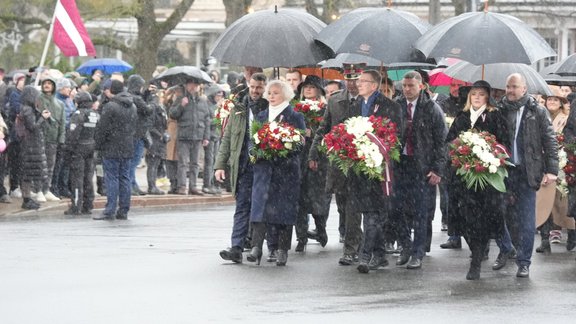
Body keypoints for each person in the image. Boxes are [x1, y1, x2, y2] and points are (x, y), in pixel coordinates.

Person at [493, 73, 558, 278]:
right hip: (502, 171)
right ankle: (506, 247)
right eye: (507, 86)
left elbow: (550, 141)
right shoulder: (499, 110)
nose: (510, 91)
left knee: (526, 220)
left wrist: (552, 170)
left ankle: (524, 262)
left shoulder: (537, 111)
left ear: (524, 89)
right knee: (495, 213)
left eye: (514, 87)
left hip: (528, 172)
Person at [445, 80, 509, 280]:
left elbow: (503, 143)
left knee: (481, 220)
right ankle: (476, 249)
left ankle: (477, 260)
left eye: (481, 94)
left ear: (487, 97)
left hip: (485, 178)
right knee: (462, 218)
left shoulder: (494, 116)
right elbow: (449, 141)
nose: (477, 98)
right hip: (462, 177)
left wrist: (485, 151)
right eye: (474, 94)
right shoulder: (463, 117)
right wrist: (460, 151)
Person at [308, 63, 364, 265]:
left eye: (356, 79)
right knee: (343, 206)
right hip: (339, 162)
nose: (352, 83)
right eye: (348, 79)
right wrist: (313, 153)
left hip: (362, 161)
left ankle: (351, 249)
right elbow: (324, 127)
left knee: (354, 206)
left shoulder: (369, 100)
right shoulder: (335, 100)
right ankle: (357, 239)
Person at [246, 80, 306, 266]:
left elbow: (299, 142)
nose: (271, 96)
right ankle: (256, 247)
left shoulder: (294, 116)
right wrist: (256, 151)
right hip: (264, 169)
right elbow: (252, 140)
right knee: (259, 209)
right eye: (269, 93)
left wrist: (280, 148)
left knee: (284, 210)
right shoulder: (261, 115)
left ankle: (282, 249)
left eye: (276, 93)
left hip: (286, 171)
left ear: (285, 95)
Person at [393, 71, 448, 269]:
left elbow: (442, 142)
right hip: (400, 164)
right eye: (404, 86)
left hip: (423, 167)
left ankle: (418, 252)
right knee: (398, 209)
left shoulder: (431, 109)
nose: (407, 90)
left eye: (411, 86)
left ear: (421, 86)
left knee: (421, 212)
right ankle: (405, 246)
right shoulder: (397, 106)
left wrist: (437, 169)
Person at [351, 70, 403, 273]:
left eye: (363, 81)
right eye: (358, 81)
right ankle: (380, 255)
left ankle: (365, 255)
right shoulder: (355, 104)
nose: (358, 84)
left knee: (374, 212)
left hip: (380, 167)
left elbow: (396, 135)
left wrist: (376, 149)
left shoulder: (390, 106)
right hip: (360, 166)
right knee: (369, 212)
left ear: (374, 85)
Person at [216, 72, 268, 263]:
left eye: (259, 88)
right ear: (248, 84)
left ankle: (256, 246)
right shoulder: (238, 109)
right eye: (253, 87)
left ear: (265, 87)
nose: (255, 91)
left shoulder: (271, 108)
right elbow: (227, 139)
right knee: (242, 207)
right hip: (244, 166)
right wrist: (220, 165)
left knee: (260, 208)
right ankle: (236, 247)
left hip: (263, 166)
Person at [535, 86, 576, 252]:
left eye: (555, 100)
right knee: (545, 201)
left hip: (562, 162)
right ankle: (545, 239)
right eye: (549, 99)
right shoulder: (540, 116)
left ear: (561, 103)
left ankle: (572, 233)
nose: (551, 102)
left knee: (562, 200)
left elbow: (568, 137)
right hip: (543, 163)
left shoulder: (566, 119)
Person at [294, 75, 331, 252]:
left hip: (319, 159)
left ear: (319, 90)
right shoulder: (296, 108)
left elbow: (328, 131)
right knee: (299, 199)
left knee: (318, 198)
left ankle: (321, 229)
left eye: (312, 87)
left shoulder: (325, 108)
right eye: (306, 87)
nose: (308, 89)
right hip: (299, 157)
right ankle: (301, 236)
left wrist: (312, 132)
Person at [94, 80, 137, 220]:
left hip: (111, 147)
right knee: (125, 178)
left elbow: (102, 128)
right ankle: (124, 209)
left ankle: (110, 209)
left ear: (111, 90)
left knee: (112, 178)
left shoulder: (110, 106)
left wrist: (98, 144)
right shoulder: (133, 106)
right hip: (127, 147)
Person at [169, 79, 211, 196]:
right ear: (186, 85)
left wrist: (206, 136)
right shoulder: (180, 99)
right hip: (184, 135)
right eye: (191, 84)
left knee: (195, 163)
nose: (194, 87)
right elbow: (172, 114)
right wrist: (181, 105)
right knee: (182, 162)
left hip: (197, 136)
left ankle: (193, 186)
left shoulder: (202, 101)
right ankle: (182, 186)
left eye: (196, 84)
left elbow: (207, 119)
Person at [64, 92, 99, 215]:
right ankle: (88, 204)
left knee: (77, 178)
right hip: (92, 147)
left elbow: (73, 133)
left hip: (79, 148)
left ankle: (76, 206)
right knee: (88, 177)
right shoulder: (95, 114)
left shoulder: (78, 114)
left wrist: (69, 148)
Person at [18, 86, 50, 210]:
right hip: (29, 145)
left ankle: (28, 198)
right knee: (27, 173)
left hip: (30, 145)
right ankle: (26, 199)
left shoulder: (28, 109)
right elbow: (33, 127)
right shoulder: (27, 110)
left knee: (29, 173)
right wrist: (42, 118)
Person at [37, 76, 65, 203]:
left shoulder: (60, 104)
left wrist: (61, 138)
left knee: (50, 166)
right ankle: (38, 190)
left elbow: (63, 123)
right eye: (45, 83)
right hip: (40, 137)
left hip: (53, 139)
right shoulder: (37, 99)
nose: (47, 85)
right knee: (39, 165)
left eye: (50, 83)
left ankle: (46, 189)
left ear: (53, 86)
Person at [126, 75, 153, 196]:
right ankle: (131, 185)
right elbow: (147, 110)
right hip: (138, 133)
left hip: (132, 133)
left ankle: (133, 184)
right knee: (134, 161)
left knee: (133, 161)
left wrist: (146, 93)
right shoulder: (136, 99)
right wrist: (153, 101)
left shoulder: (131, 97)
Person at [144, 83, 167, 195]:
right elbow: (150, 125)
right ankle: (151, 186)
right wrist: (160, 135)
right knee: (152, 163)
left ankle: (153, 185)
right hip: (154, 140)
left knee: (156, 162)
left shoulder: (162, 108)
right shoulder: (154, 108)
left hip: (160, 139)